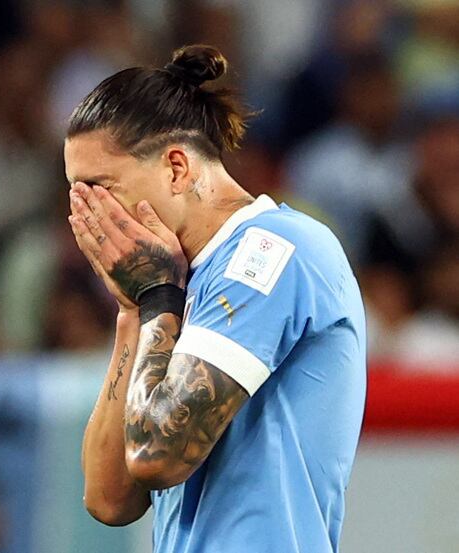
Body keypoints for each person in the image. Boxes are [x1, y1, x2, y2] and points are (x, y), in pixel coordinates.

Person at [67, 45, 366, 553]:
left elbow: (158, 454)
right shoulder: (174, 281)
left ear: (177, 168)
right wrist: (133, 310)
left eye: (100, 188)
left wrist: (157, 298)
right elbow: (108, 499)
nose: (86, 213)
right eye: (75, 193)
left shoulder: (272, 253)